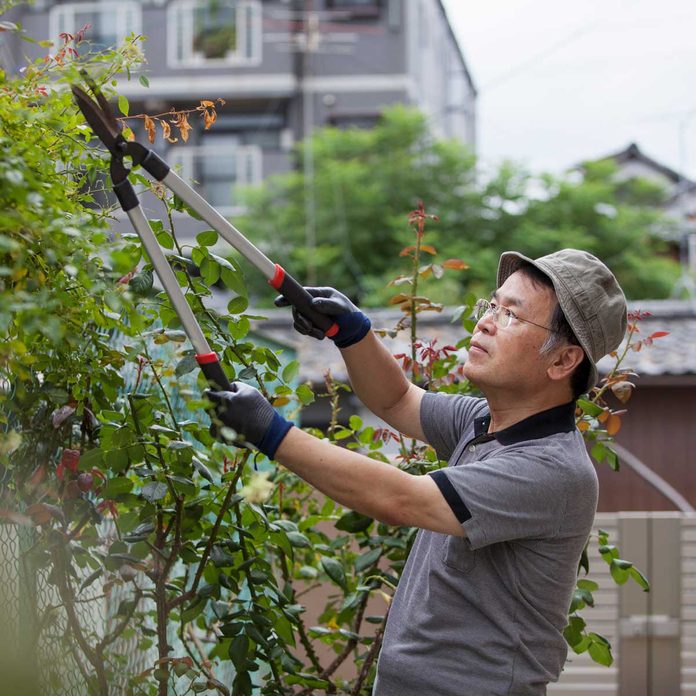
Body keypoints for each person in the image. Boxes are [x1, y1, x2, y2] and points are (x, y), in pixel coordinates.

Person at [207, 248, 628, 696]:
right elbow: (397, 400)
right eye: (493, 305)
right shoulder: (482, 421)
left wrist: (271, 432)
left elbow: (401, 498)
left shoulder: (550, 468)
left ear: (563, 361)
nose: (484, 321)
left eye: (512, 316)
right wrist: (350, 332)